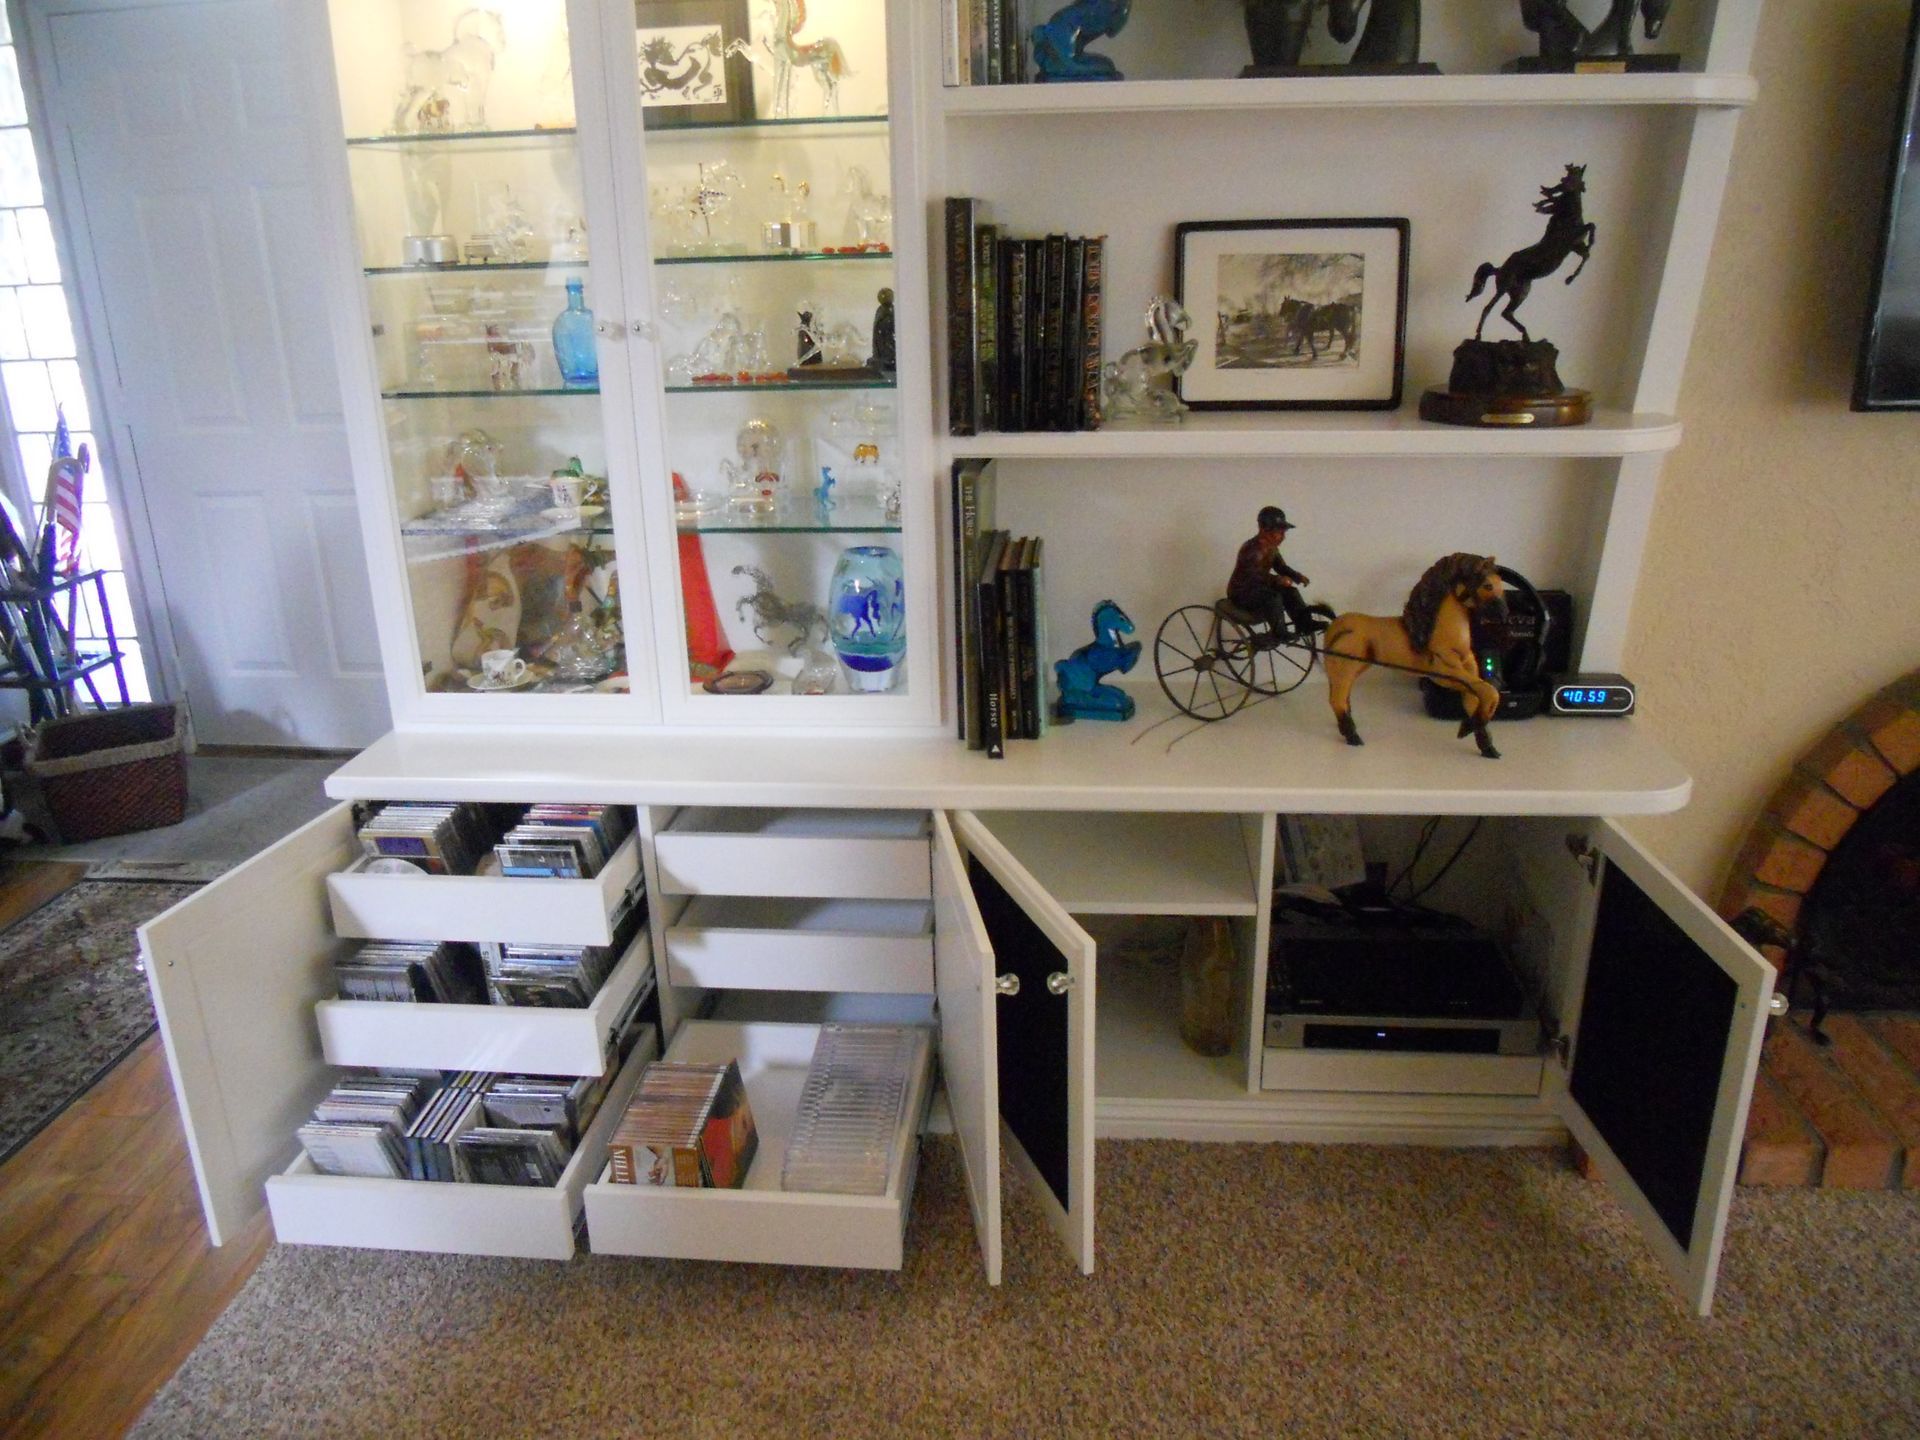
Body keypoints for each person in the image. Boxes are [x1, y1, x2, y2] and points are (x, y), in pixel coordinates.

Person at [1227, 505, 1322, 642]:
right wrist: (1277, 580)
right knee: (1273, 598)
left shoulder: (1271, 548)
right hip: (1242, 591)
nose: (1283, 537)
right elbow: (1254, 576)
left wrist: (1296, 576)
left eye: (1284, 533)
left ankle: (1304, 623)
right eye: (1279, 532)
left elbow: (1281, 567)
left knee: (1291, 592)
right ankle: (1279, 633)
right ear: (1264, 530)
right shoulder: (1252, 550)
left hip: (1258, 587)